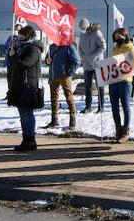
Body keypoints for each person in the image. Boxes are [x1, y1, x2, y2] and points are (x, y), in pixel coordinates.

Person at [6, 25, 42, 153]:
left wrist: (14, 55)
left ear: (28, 35)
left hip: (28, 85)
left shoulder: (34, 49)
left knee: (27, 114)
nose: (19, 36)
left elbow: (24, 64)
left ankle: (30, 140)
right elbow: (12, 64)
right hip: (18, 84)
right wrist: (11, 53)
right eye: (19, 34)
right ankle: (25, 139)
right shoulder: (19, 46)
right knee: (22, 114)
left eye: (22, 34)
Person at [107, 27, 134, 144]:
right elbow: (111, 64)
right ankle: (118, 130)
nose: (117, 38)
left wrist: (130, 60)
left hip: (125, 81)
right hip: (114, 81)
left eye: (119, 36)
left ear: (125, 36)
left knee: (125, 106)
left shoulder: (131, 48)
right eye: (115, 36)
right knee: (114, 107)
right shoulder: (115, 48)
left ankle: (125, 131)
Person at [43, 39, 79, 130]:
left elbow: (77, 61)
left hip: (64, 76)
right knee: (53, 98)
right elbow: (47, 60)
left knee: (69, 96)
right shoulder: (52, 46)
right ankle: (54, 119)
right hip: (53, 75)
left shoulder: (69, 46)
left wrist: (69, 73)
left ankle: (72, 119)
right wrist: (47, 61)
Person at [77, 19, 106, 114]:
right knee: (87, 86)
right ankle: (88, 107)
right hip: (86, 64)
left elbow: (103, 46)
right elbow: (80, 47)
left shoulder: (97, 33)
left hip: (97, 63)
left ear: (88, 26)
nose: (82, 30)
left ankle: (101, 106)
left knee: (99, 85)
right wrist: (82, 55)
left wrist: (93, 55)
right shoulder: (82, 34)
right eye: (81, 28)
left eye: (83, 28)